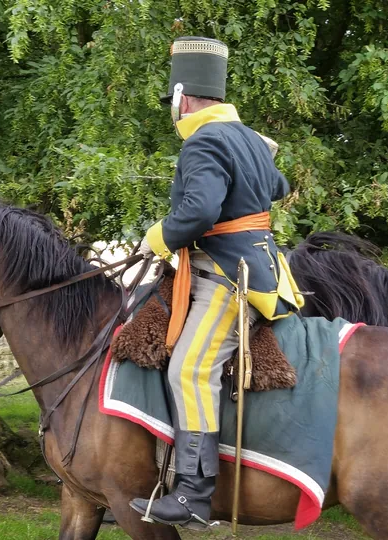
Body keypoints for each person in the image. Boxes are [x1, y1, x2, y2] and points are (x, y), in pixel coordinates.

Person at [128, 36, 304, 528]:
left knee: (189, 370)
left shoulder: (203, 139)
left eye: (172, 102)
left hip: (227, 275)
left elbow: (200, 210)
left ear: (182, 96)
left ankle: (192, 495)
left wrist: (157, 237)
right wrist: (259, 151)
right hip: (258, 264)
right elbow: (280, 188)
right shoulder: (242, 135)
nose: (172, 110)